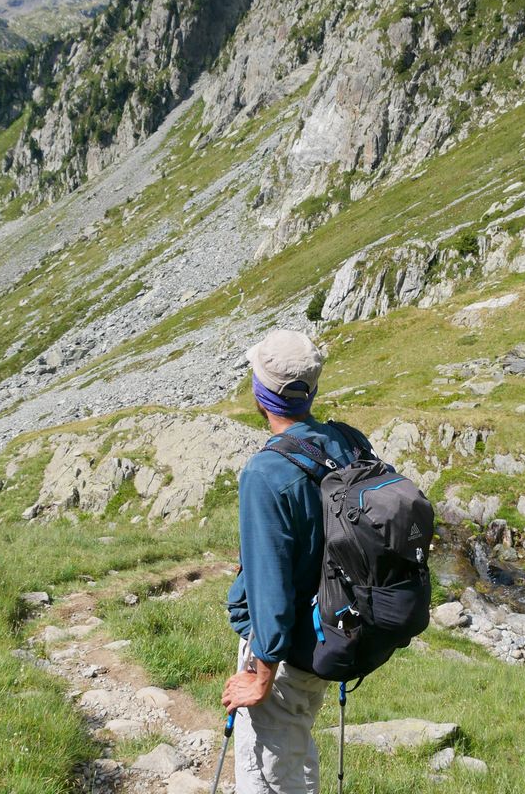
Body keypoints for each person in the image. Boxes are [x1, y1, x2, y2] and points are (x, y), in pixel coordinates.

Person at [222, 329, 363, 794]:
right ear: (312, 391)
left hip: (288, 652)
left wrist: (261, 677)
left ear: (260, 394)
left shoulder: (265, 472)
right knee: (294, 753)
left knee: (268, 771)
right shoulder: (346, 441)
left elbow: (271, 594)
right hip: (334, 627)